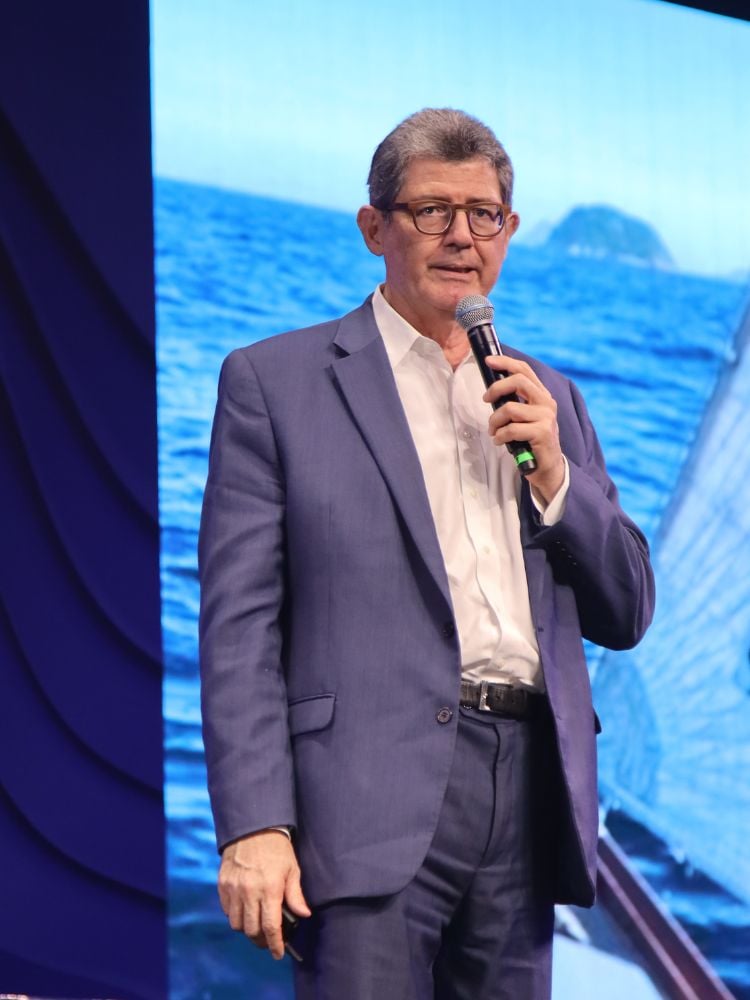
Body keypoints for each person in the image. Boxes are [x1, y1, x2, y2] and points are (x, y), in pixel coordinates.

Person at [198, 108, 655, 999]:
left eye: (484, 214)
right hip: (366, 798)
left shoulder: (549, 395)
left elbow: (627, 609)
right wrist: (254, 824)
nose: (461, 237)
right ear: (374, 228)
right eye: (431, 211)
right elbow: (239, 627)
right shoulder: (274, 383)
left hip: (529, 802)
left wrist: (558, 477)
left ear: (511, 232)